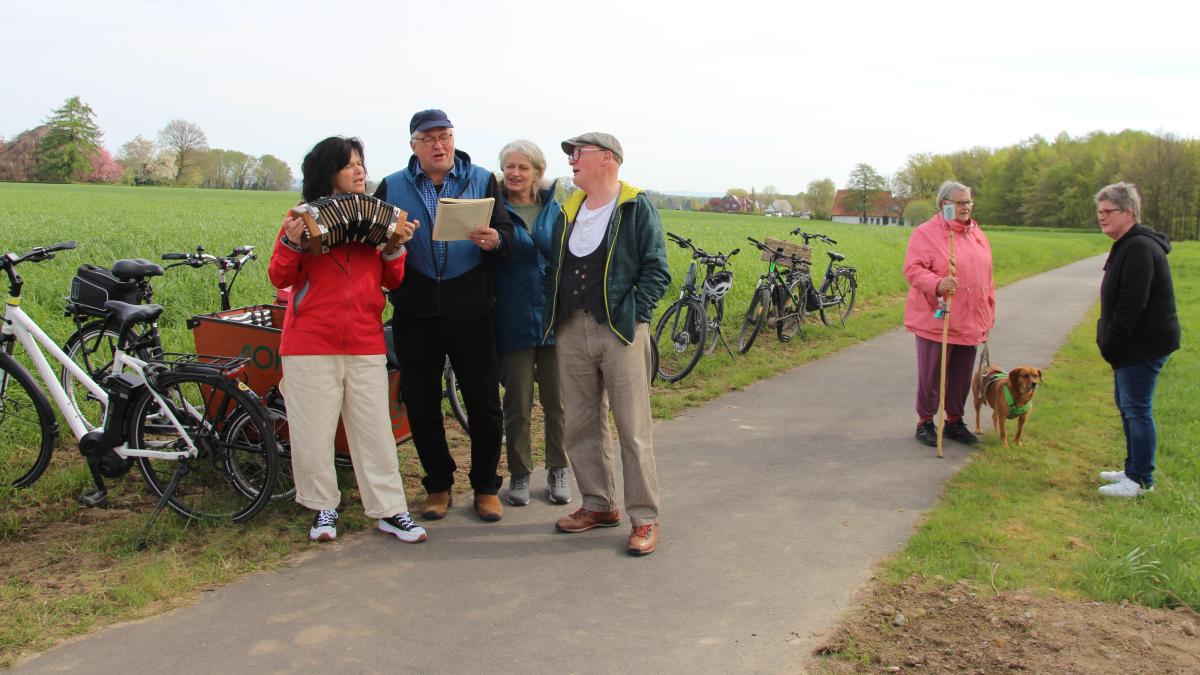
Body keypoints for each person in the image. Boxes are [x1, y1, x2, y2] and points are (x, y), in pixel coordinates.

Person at [268, 136, 426, 543]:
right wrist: (290, 242)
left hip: (364, 339)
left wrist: (396, 248)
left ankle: (390, 511)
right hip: (309, 341)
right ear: (328, 172)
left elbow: (392, 280)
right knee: (313, 431)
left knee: (375, 430)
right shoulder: (300, 217)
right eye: (349, 164)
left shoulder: (379, 217)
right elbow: (279, 278)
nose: (359, 171)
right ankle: (323, 509)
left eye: (361, 163)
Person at [373, 110, 514, 522]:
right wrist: (391, 242)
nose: (439, 145)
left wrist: (495, 239)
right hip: (414, 310)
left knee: (484, 403)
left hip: (470, 308)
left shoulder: (483, 179)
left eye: (445, 136)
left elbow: (505, 232)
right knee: (420, 402)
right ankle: (437, 484)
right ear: (414, 145)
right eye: (429, 138)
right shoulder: (392, 185)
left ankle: (486, 486)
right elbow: (377, 246)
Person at [543, 132, 670, 556]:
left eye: (579, 154)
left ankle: (644, 518)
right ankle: (597, 504)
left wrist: (635, 316)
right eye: (572, 156)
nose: (572, 162)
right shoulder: (569, 208)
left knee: (633, 429)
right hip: (571, 328)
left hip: (619, 330)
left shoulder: (635, 206)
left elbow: (656, 269)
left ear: (607, 160)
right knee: (579, 423)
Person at [494, 140, 571, 506]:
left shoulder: (557, 210)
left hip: (554, 317)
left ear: (538, 173)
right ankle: (520, 474)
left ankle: (558, 468)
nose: (515, 173)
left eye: (523, 167)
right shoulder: (493, 210)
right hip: (511, 315)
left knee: (557, 403)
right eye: (509, 166)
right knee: (518, 403)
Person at [1094, 182, 1180, 498]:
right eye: (1099, 212)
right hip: (1130, 347)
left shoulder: (1139, 247)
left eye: (1108, 212)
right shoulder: (1126, 244)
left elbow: (1132, 304)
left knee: (1137, 409)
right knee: (1128, 407)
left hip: (1142, 345)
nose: (1102, 217)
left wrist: (1111, 342)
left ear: (1128, 212)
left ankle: (1141, 480)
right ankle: (1133, 469)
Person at [903, 180, 995, 448]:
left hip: (970, 319)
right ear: (945, 205)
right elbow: (913, 269)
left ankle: (954, 420)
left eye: (969, 202)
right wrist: (937, 283)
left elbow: (987, 278)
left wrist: (988, 311)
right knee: (932, 374)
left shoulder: (977, 234)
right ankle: (925, 422)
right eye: (961, 202)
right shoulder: (926, 233)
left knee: (961, 376)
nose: (967, 207)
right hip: (938, 318)